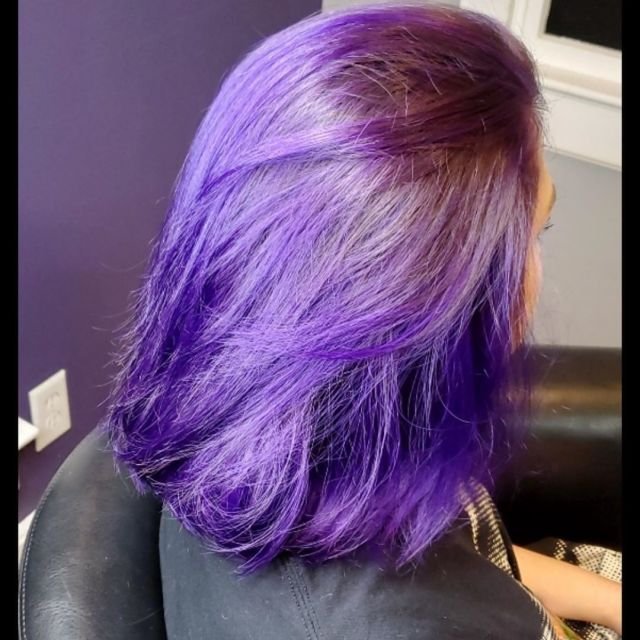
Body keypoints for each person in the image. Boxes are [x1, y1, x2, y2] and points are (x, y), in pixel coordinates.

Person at [103, 4, 621, 638]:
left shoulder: (326, 455)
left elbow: (465, 562)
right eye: (534, 236)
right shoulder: (400, 623)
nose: (535, 279)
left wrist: (608, 600)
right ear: (432, 319)